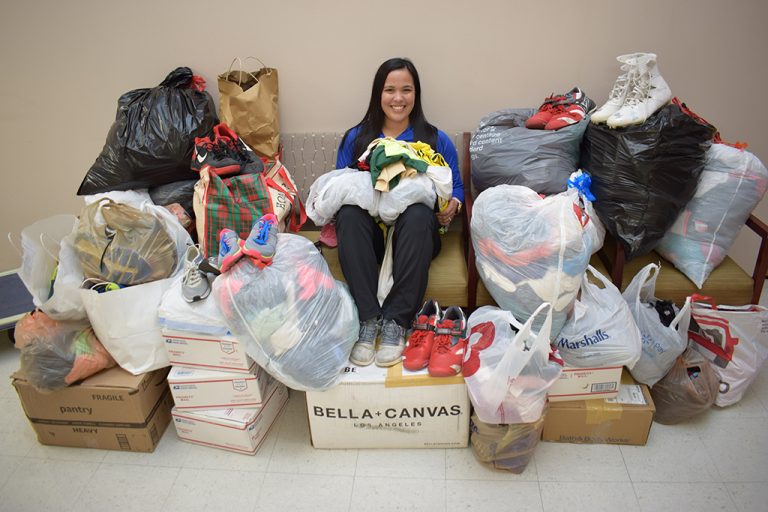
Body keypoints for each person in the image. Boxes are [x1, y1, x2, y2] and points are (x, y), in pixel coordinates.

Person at [335, 57, 464, 367]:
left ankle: (396, 323)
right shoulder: (357, 138)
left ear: (416, 95)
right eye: (390, 89)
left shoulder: (434, 139)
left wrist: (453, 206)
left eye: (406, 90)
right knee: (349, 214)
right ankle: (368, 320)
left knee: (418, 213)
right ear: (378, 94)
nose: (398, 98)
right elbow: (341, 187)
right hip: (372, 238)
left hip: (416, 236)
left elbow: (456, 186)